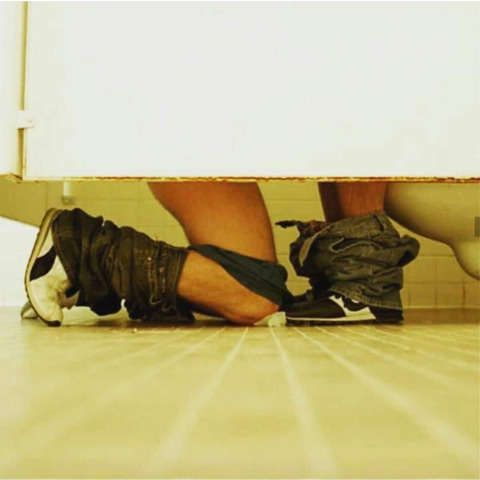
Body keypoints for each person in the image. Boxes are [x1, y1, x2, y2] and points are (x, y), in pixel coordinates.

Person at [24, 181, 419, 327]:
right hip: (191, 122)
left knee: (260, 286)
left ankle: (85, 276)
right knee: (253, 294)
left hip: (195, 122)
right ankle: (79, 248)